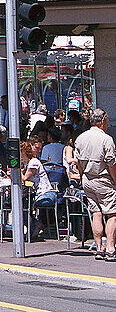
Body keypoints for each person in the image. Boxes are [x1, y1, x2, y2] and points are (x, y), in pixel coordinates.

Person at [72, 109, 116, 261]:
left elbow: (78, 163)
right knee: (112, 213)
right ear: (102, 120)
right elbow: (111, 163)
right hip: (103, 179)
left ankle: (99, 248)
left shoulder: (81, 138)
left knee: (96, 213)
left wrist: (83, 176)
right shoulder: (106, 139)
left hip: (88, 180)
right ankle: (110, 248)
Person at [22, 135, 56, 240]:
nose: (38, 150)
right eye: (36, 147)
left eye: (40, 148)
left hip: (44, 193)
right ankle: (34, 225)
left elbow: (25, 178)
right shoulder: (30, 162)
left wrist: (16, 171)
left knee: (23, 206)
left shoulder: (34, 162)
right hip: (37, 192)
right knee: (23, 204)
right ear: (30, 146)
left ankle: (35, 225)